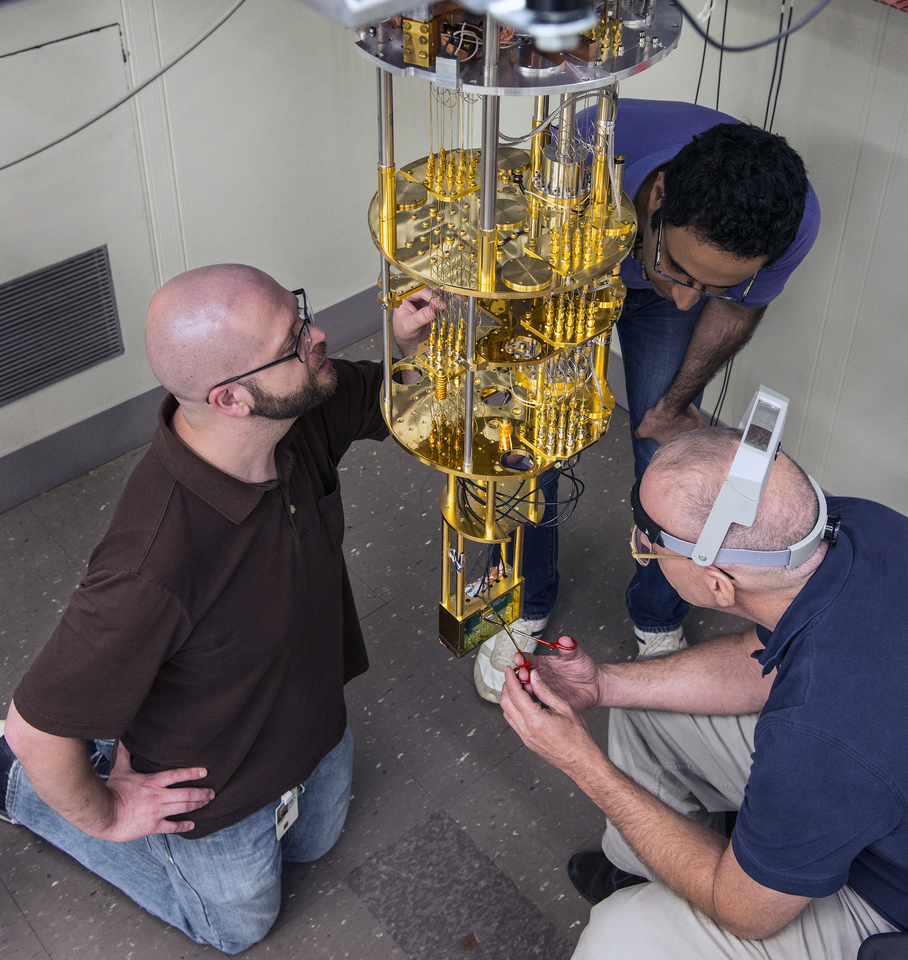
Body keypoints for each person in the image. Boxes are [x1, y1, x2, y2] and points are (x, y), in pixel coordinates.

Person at [0, 264, 434, 954]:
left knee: (316, 845)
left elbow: (397, 400)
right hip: (212, 791)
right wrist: (108, 815)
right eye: (295, 341)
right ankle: (23, 791)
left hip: (313, 726)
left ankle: (105, 743)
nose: (318, 334)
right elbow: (33, 728)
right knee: (237, 929)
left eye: (300, 311)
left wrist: (414, 349)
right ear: (232, 399)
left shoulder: (296, 412)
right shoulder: (151, 565)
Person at [500, 426, 908, 959]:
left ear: (717, 584)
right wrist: (605, 686)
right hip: (863, 781)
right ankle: (646, 871)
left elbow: (746, 913)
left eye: (649, 549)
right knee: (644, 706)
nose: (642, 550)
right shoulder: (859, 528)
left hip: (890, 895)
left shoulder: (819, 736)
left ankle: (680, 893)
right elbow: (754, 661)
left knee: (617, 939)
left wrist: (581, 764)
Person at [473, 99, 821, 702]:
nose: (691, 303)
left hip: (643, 267)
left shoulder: (789, 223)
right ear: (657, 195)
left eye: (714, 283)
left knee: (669, 455)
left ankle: (659, 616)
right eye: (686, 271)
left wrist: (672, 404)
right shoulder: (575, 158)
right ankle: (522, 603)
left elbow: (736, 306)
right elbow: (517, 271)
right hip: (570, 258)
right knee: (532, 441)